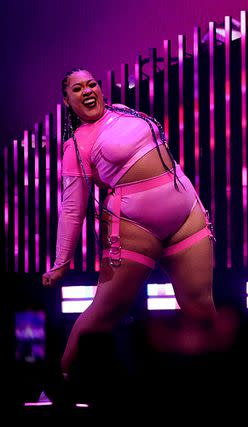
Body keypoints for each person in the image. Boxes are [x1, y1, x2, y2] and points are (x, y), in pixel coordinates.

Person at [41, 69, 230, 378]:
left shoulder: (125, 112)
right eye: (77, 89)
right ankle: (61, 382)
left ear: (100, 89)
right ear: (66, 100)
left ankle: (221, 385)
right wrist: (62, 262)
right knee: (105, 312)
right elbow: (72, 209)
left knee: (201, 309)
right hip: (133, 228)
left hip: (187, 215)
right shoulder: (76, 146)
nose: (87, 91)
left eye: (91, 84)